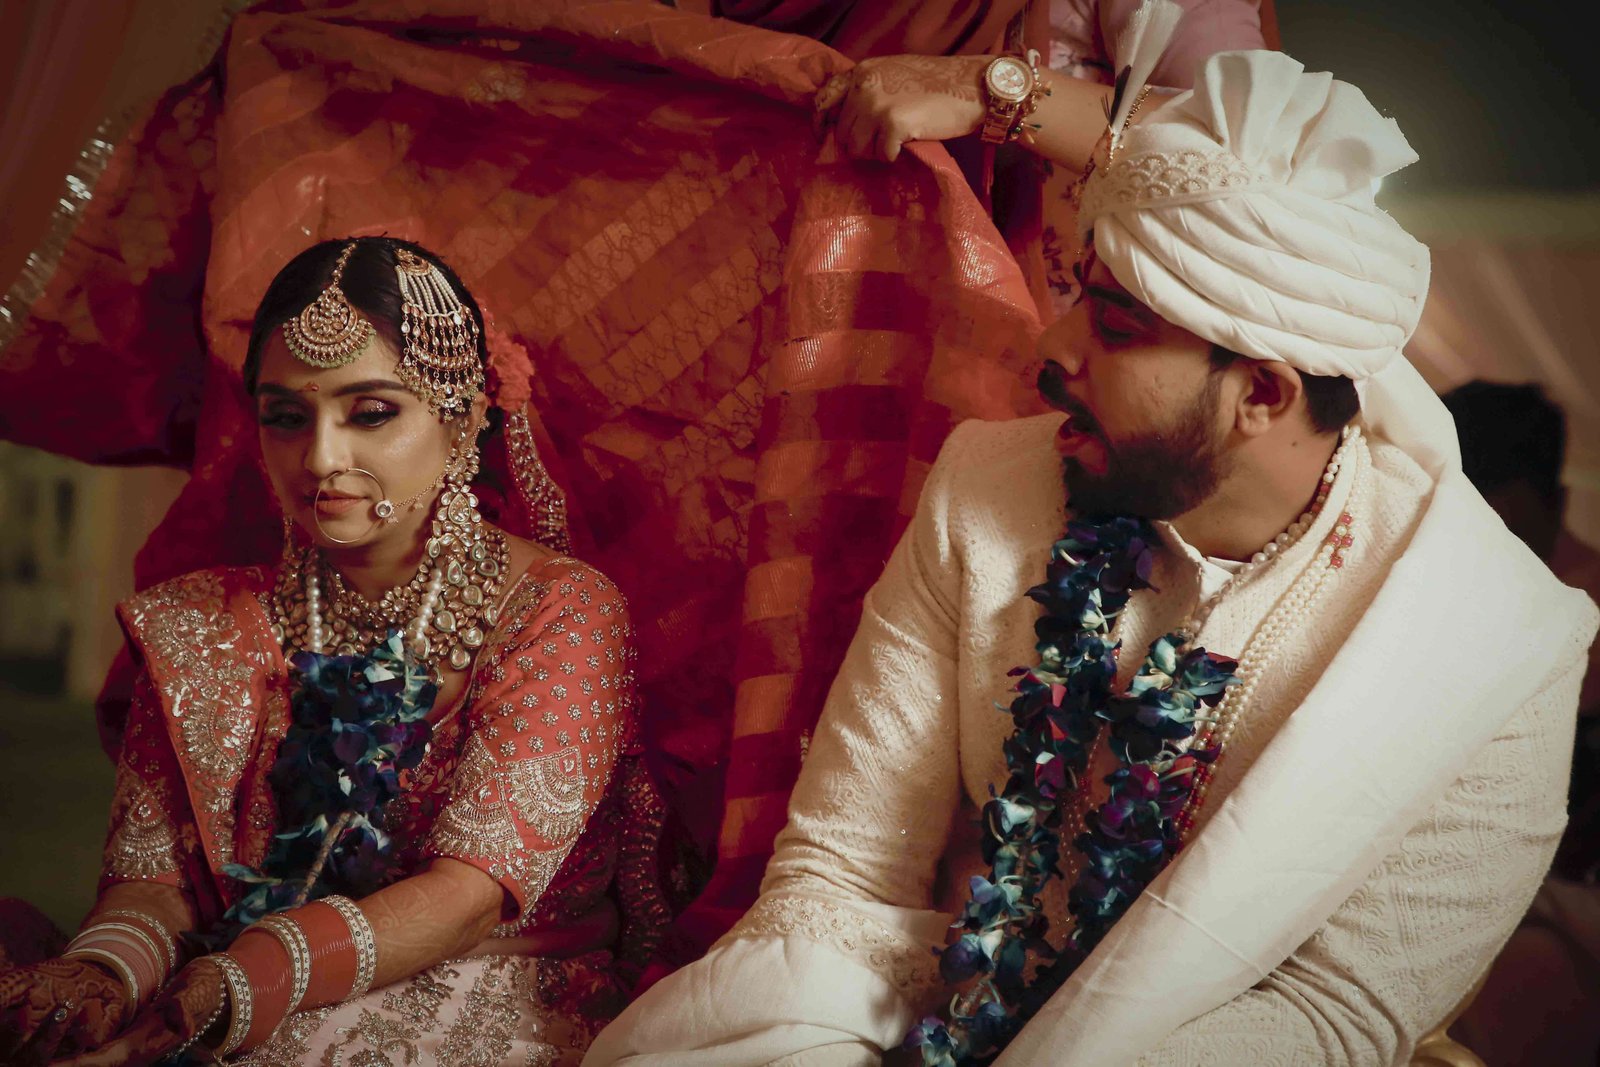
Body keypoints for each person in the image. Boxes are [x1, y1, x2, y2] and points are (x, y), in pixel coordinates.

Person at [585, 46, 1598, 1067]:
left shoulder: (1498, 647)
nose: (1052, 346)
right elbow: (842, 871)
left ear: (1262, 393)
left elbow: (1335, 1011)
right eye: (1081, 294)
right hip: (913, 1012)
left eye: (1113, 325)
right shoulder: (988, 485)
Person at [0, 237, 663, 1065]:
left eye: (371, 412)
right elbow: (155, 883)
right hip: (230, 980)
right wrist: (104, 974)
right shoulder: (204, 625)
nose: (319, 458)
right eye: (287, 416)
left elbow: (467, 896)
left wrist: (245, 980)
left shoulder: (559, 612)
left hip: (496, 989)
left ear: (462, 419)